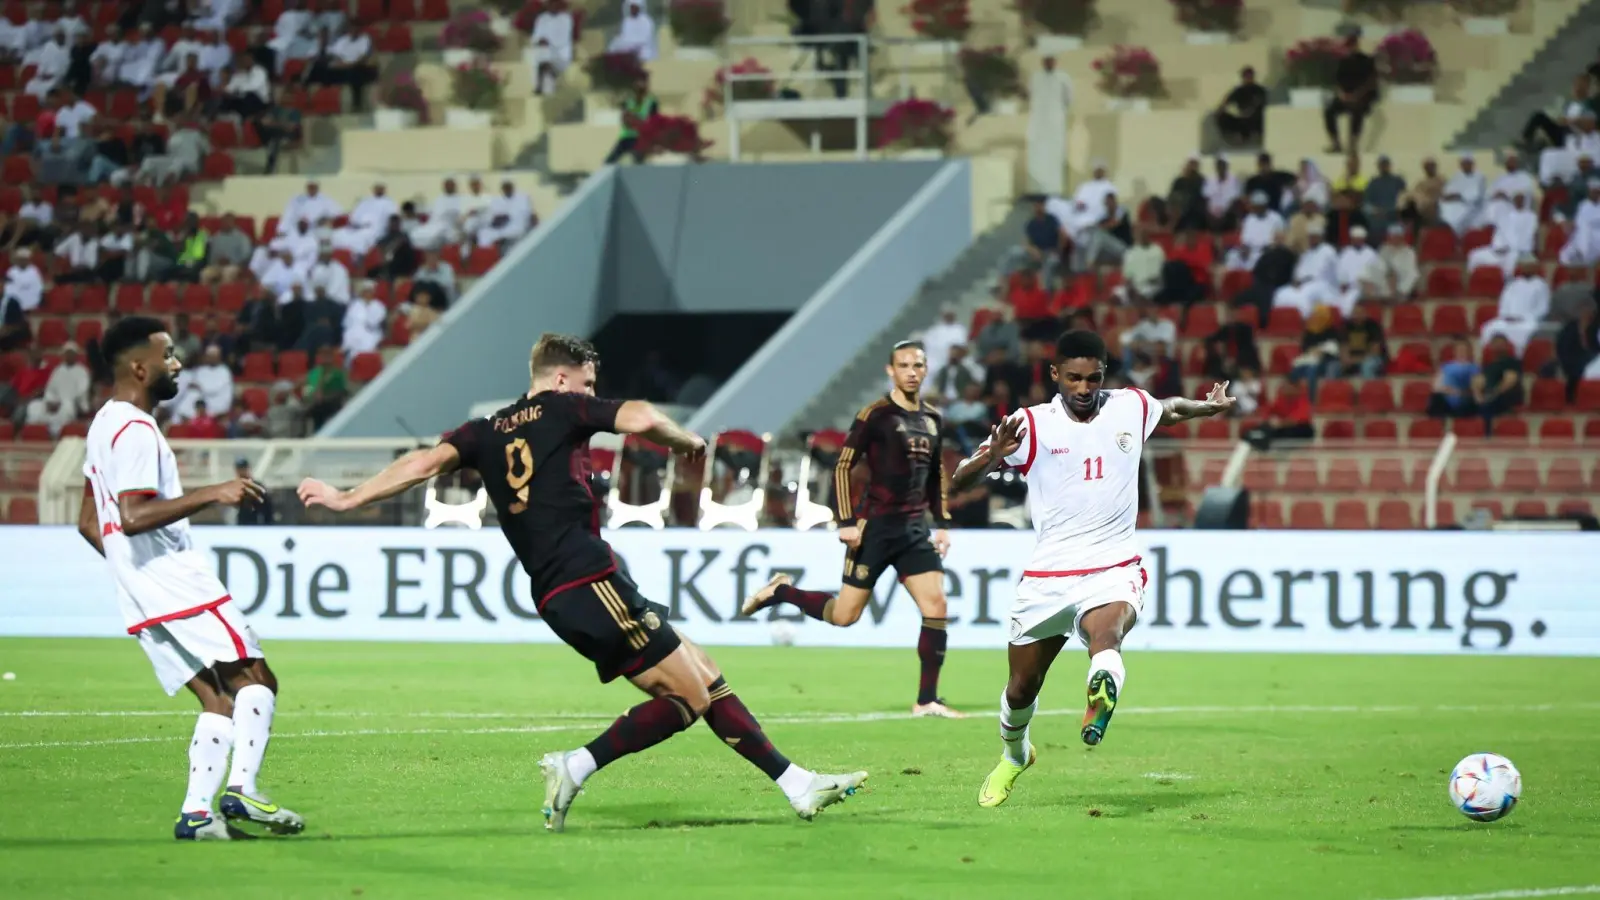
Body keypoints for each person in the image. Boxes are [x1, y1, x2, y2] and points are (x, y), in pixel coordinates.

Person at [296, 333, 867, 830]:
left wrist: (348, 498)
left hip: (562, 587)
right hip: (588, 578)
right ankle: (576, 766)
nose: (592, 394)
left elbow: (420, 463)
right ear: (562, 377)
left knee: (705, 674)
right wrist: (685, 440)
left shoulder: (483, 430)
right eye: (588, 383)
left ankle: (797, 783)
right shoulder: (566, 410)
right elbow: (641, 416)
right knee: (689, 697)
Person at [945, 330, 1233, 808]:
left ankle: (1100, 694)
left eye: (1093, 378)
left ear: (1104, 375)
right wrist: (995, 455)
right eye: (1073, 378)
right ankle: (1015, 755)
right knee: (1021, 689)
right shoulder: (1029, 425)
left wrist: (1208, 407)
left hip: (1113, 565)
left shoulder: (1130, 406)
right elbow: (959, 479)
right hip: (1047, 577)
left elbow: (1171, 407)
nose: (1083, 389)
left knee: (1107, 634)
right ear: (1054, 374)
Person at [76, 316, 304, 841]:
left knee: (218, 699)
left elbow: (91, 523)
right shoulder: (134, 429)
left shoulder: (103, 423)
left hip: (139, 590)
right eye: (168, 355)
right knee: (256, 681)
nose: (177, 363)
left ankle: (198, 814)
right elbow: (132, 516)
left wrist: (137, 576)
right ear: (140, 367)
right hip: (175, 579)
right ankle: (243, 791)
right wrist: (213, 492)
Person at [742, 340, 961, 716]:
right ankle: (782, 591)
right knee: (844, 616)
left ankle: (927, 700)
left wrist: (941, 524)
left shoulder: (933, 419)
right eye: (904, 365)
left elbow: (934, 475)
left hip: (913, 530)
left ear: (925, 370)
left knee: (936, 605)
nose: (911, 371)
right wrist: (845, 522)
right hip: (875, 527)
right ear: (890, 371)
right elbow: (843, 466)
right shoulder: (874, 414)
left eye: (918, 365)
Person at [1325, 28, 1377, 153]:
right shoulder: (1343, 62)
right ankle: (1336, 143)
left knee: (1357, 110)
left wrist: (1357, 95)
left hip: (1362, 96)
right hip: (1346, 96)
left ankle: (1353, 144)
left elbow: (1371, 82)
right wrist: (1342, 95)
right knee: (1329, 111)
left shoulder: (1366, 60)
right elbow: (1336, 81)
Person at [1215, 65, 1265, 147]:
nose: (1248, 78)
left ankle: (1248, 137)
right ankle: (1232, 138)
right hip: (1241, 119)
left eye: (1250, 76)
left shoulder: (1259, 90)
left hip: (1255, 120)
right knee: (1221, 116)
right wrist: (1221, 109)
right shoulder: (1239, 90)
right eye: (1246, 76)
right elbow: (1226, 101)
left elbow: (1260, 104)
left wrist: (1248, 113)